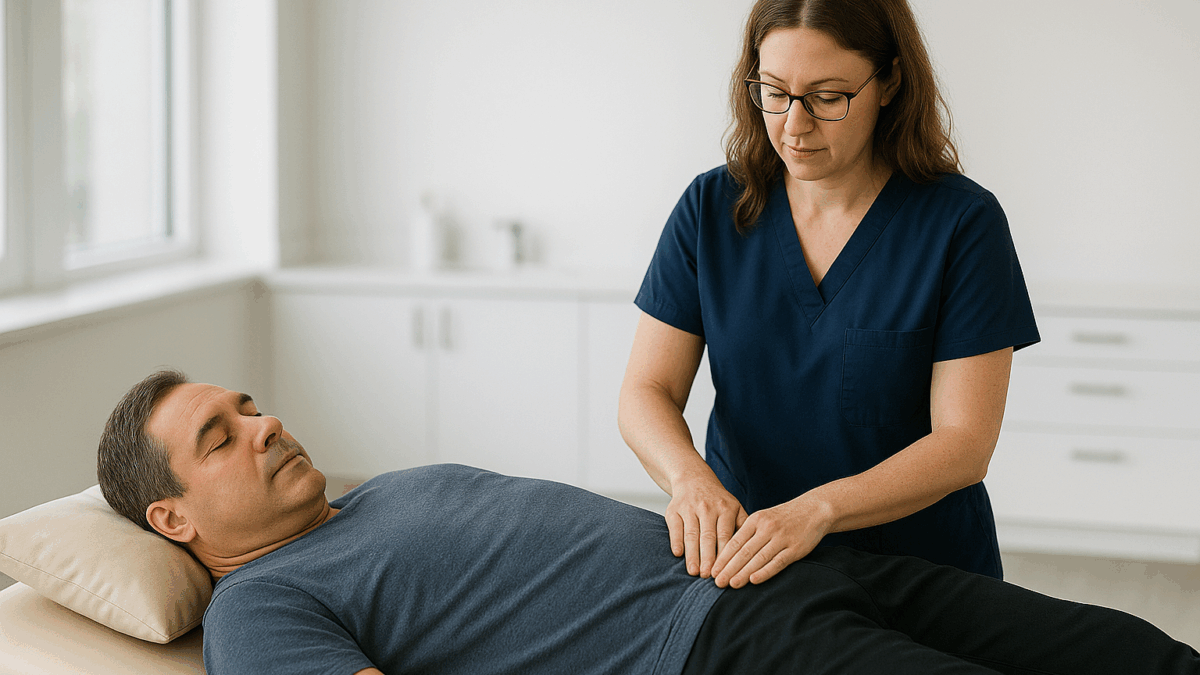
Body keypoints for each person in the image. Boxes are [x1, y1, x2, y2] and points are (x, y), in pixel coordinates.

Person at [96, 370, 1199, 675]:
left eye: (247, 404)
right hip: (721, 648)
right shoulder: (262, 607)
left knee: (1121, 650)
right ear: (173, 514)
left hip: (782, 563)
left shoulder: (376, 495)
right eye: (220, 436)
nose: (263, 421)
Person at [619, 0, 1039, 588]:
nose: (794, 125)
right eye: (774, 91)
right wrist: (690, 480)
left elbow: (964, 443)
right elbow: (647, 390)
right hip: (751, 565)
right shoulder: (711, 209)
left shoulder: (962, 223)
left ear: (889, 81)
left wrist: (817, 511)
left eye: (827, 97)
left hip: (919, 572)